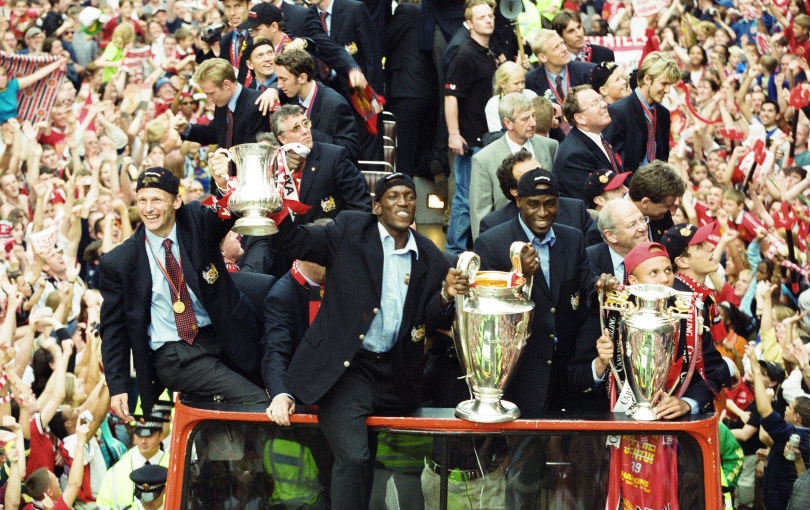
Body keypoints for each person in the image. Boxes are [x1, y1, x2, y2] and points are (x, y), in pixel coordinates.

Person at [268, 172, 461, 507]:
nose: (403, 202)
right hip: (347, 369)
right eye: (394, 196)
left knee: (373, 461)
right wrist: (277, 211)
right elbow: (295, 243)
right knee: (355, 457)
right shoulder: (348, 230)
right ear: (376, 207)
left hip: (396, 374)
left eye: (409, 196)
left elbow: (435, 319)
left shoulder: (430, 255)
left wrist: (446, 296)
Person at [99, 167, 269, 419]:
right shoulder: (119, 261)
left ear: (176, 201)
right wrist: (118, 385)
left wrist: (224, 183)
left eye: (157, 199)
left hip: (224, 338)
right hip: (176, 355)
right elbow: (113, 328)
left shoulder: (194, 221)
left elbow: (226, 214)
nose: (148, 208)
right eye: (142, 200)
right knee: (258, 404)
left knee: (263, 403)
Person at [474, 168, 593, 417]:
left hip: (564, 372)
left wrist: (601, 285)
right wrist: (519, 274)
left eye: (550, 204)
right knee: (523, 452)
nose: (542, 212)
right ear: (518, 201)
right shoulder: (492, 242)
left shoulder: (573, 239)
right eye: (533, 204)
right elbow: (484, 310)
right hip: (519, 372)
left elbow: (586, 290)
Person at [444, 0, 497, 254]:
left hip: (485, 138)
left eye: (490, 15)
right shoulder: (464, 54)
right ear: (469, 23)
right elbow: (451, 96)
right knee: (465, 199)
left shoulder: (487, 52)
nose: (488, 20)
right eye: (482, 17)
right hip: (469, 140)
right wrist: (454, 134)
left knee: (478, 198)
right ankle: (453, 252)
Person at [470, 92, 558, 238]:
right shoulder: (484, 159)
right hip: (507, 239)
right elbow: (480, 213)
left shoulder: (550, 146)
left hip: (548, 234)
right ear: (508, 123)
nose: (533, 123)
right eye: (525, 119)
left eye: (533, 115)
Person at [310, 0, 385, 161]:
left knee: (369, 150)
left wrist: (373, 95)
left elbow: (372, 54)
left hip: (359, 91)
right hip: (327, 93)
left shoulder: (354, 9)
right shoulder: (308, 15)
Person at [477, 151, 594, 238]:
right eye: (529, 176)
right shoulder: (494, 224)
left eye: (540, 170)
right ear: (515, 191)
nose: (539, 178)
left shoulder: (575, 210)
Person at [274, 49, 361, 163]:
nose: (279, 85)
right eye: (278, 79)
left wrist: (306, 132)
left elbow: (351, 150)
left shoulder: (335, 104)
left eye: (283, 79)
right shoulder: (289, 96)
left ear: (302, 78)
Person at [603, 51, 680, 173]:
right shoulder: (619, 111)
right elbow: (613, 161)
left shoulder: (663, 113)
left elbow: (663, 157)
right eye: (664, 84)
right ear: (647, 79)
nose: (668, 90)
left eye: (669, 85)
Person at [172, 58, 270, 151]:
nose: (209, 99)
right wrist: (187, 128)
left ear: (226, 84)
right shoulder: (222, 101)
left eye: (211, 93)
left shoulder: (257, 104)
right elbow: (213, 132)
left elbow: (250, 152)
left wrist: (223, 160)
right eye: (206, 94)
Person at [553, 85, 625, 202]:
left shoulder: (601, 137)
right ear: (580, 118)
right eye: (595, 103)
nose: (604, 104)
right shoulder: (574, 155)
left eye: (601, 99)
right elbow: (591, 203)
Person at [96, 415, 171, 510]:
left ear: (160, 435)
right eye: (139, 435)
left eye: (149, 436)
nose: (143, 441)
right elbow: (104, 505)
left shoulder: (174, 468)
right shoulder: (118, 468)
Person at [524, 29, 596, 125]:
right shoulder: (530, 81)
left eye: (562, 43)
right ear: (542, 57)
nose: (564, 49)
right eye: (556, 47)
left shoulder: (588, 71)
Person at [23, 416, 91, 510]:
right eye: (55, 480)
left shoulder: (27, 507)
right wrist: (80, 442)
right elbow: (74, 483)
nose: (58, 481)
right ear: (49, 492)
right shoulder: (57, 508)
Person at [588, 198, 649, 282]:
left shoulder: (657, 255)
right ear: (611, 236)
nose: (643, 227)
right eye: (632, 225)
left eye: (642, 220)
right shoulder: (589, 261)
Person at [628, 161, 686, 242]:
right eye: (668, 205)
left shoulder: (663, 216)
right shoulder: (615, 220)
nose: (672, 208)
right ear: (645, 203)